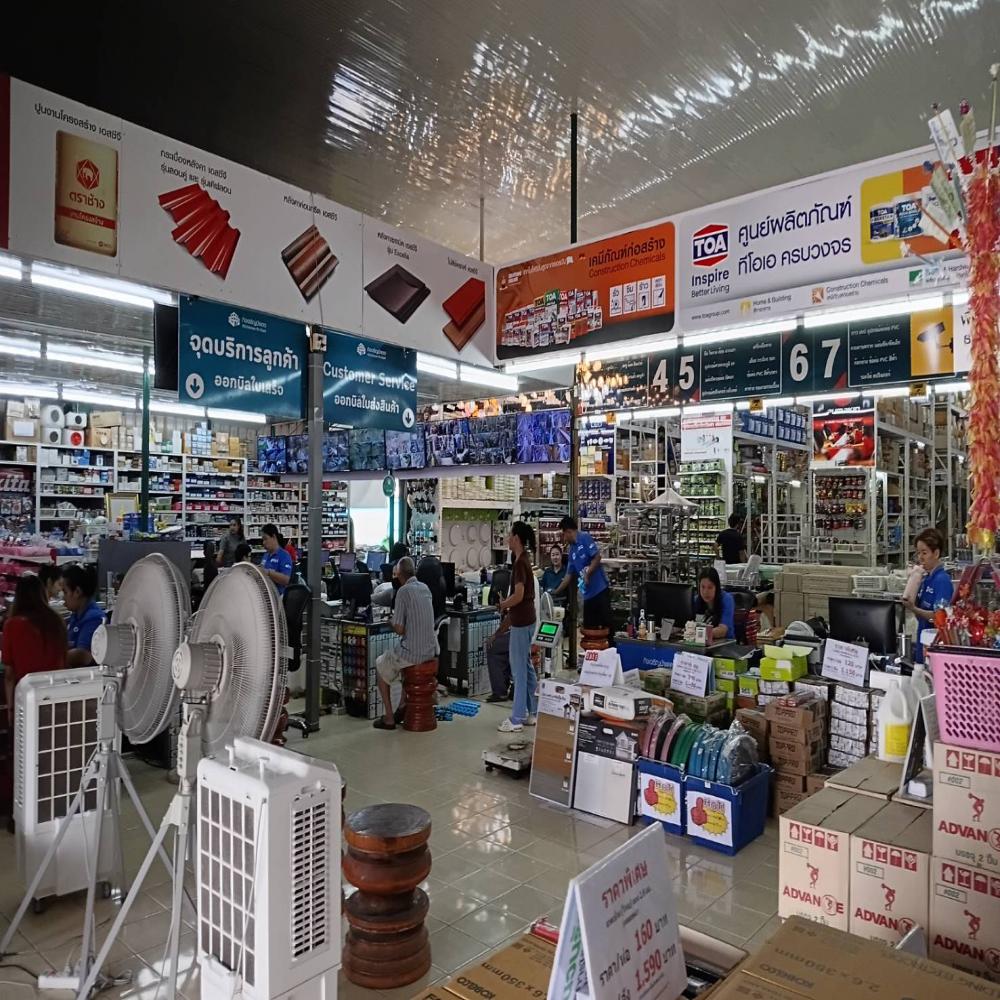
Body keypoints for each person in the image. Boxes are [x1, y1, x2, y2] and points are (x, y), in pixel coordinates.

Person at [373, 557, 438, 730]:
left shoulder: (403, 591)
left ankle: (389, 718)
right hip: (430, 651)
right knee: (402, 662)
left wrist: (390, 622)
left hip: (413, 653)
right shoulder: (425, 588)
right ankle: (402, 705)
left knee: (380, 665)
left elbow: (400, 629)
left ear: (399, 574)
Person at [2, 574, 67, 720]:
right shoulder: (57, 621)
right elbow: (63, 660)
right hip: (55, 696)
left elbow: (9, 675)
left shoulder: (12, 625)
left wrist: (10, 710)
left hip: (26, 697)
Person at [498, 522, 538, 733]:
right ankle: (533, 712)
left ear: (516, 538)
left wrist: (503, 604)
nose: (507, 538)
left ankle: (517, 718)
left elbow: (519, 595)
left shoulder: (520, 564)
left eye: (509, 535)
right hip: (528, 619)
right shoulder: (524, 561)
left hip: (521, 622)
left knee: (519, 670)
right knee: (527, 667)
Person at [902, 527, 953, 663]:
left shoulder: (942, 580)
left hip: (935, 645)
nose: (920, 557)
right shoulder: (926, 578)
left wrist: (913, 608)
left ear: (936, 553)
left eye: (924, 553)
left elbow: (939, 616)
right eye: (918, 553)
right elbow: (919, 611)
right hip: (922, 640)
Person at [553, 516, 611, 631]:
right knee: (589, 630)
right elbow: (568, 576)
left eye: (563, 534)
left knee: (606, 628)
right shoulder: (571, 551)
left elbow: (597, 557)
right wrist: (556, 591)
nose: (563, 538)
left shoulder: (584, 537)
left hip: (600, 591)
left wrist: (587, 574)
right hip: (588, 596)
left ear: (568, 531)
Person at [62, 564, 103, 667]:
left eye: (65, 592)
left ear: (77, 592)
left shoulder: (94, 618)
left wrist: (49, 658)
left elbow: (81, 655)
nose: (63, 598)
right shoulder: (76, 615)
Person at [693, 566, 736, 642]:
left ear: (717, 587)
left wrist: (700, 634)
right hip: (700, 642)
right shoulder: (696, 600)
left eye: (710, 587)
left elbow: (723, 630)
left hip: (724, 644)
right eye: (702, 587)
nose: (705, 592)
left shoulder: (727, 599)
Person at [261, 523, 293, 595]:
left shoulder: (284, 555)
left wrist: (268, 572)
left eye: (265, 539)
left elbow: (286, 580)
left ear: (274, 537)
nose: (263, 542)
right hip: (266, 595)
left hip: (278, 597)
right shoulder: (265, 555)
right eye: (262, 539)